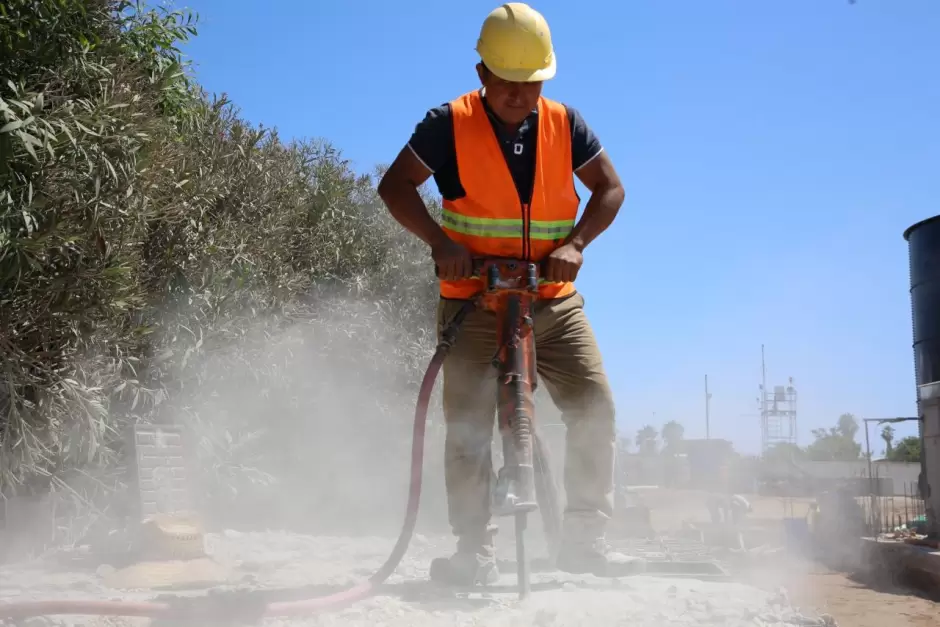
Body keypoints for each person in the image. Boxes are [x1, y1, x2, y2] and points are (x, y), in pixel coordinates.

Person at [377, 2, 628, 585]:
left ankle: (585, 537)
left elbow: (611, 189)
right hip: (474, 301)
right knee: (467, 426)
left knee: (595, 405)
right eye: (509, 83)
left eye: (532, 83)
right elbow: (395, 187)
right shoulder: (448, 123)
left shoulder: (567, 125)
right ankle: (475, 550)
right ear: (482, 73)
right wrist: (440, 242)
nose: (521, 95)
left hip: (553, 300)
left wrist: (578, 243)